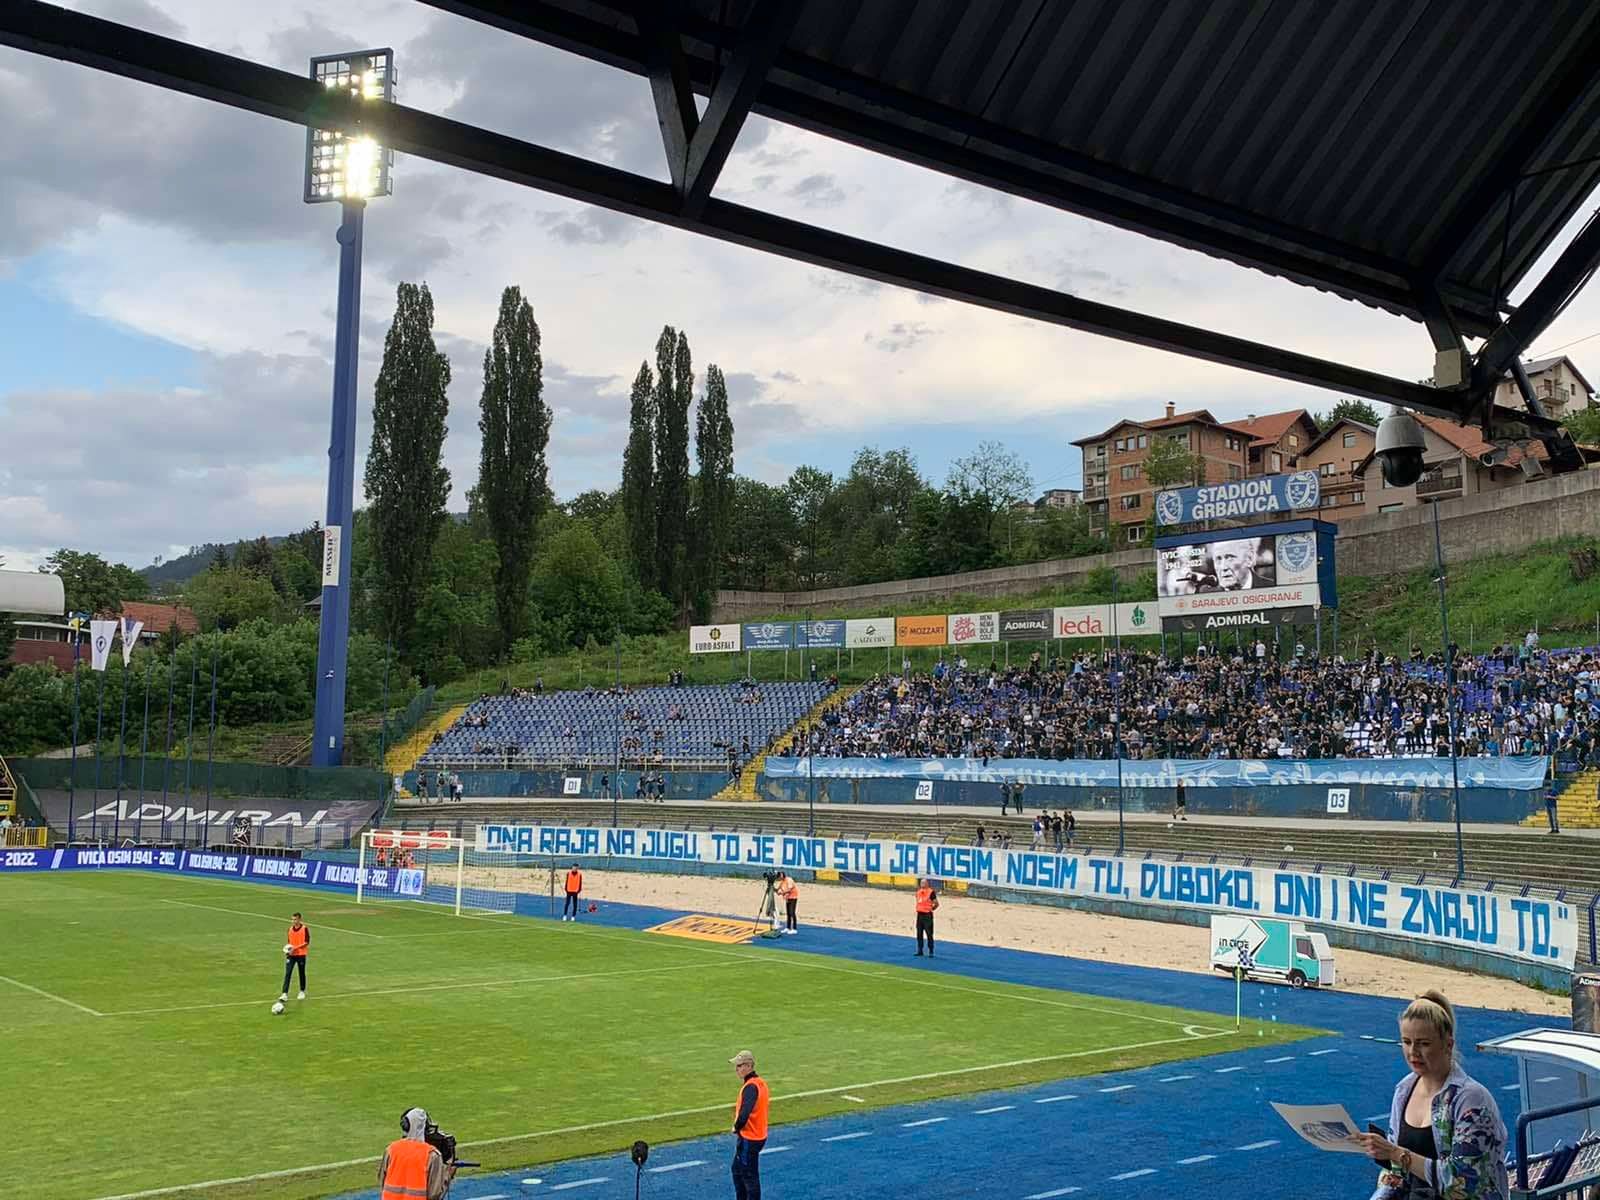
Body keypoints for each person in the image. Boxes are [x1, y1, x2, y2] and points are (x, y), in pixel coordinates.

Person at [1354, 990, 1508, 1200]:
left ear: (1448, 1045)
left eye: (1424, 1043)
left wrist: (1394, 1153)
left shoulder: (1472, 1100)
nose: (1413, 1052)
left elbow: (1463, 1183)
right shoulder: (1403, 1090)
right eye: (1406, 1042)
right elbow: (1397, 1173)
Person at [379, 1107, 454, 1200]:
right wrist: (448, 1175)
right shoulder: (431, 1154)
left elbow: (382, 1181)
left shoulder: (391, 1149)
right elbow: (434, 1195)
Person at [729, 1050, 769, 1200]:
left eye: (739, 1066)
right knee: (737, 1170)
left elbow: (744, 1113)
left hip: (749, 1137)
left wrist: (736, 1127)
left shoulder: (751, 1087)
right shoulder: (760, 1083)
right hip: (759, 1135)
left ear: (748, 1066)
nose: (736, 1069)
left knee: (749, 1176)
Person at [280, 912, 310, 1002]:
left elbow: (306, 942)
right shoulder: (290, 929)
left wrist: (295, 948)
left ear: (299, 919)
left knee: (301, 973)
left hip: (301, 954)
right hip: (291, 955)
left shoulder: (304, 929)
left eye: (295, 919)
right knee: (288, 973)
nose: (293, 921)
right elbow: (289, 942)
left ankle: (302, 991)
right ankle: (284, 993)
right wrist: (288, 950)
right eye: (292, 919)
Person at [914, 878, 939, 958]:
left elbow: (936, 903)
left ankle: (931, 951)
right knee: (919, 933)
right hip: (919, 915)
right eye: (921, 883)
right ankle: (920, 950)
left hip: (927, 915)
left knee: (929, 934)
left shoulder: (931, 892)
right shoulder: (918, 892)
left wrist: (931, 909)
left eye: (924, 883)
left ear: (927, 884)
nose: (922, 884)